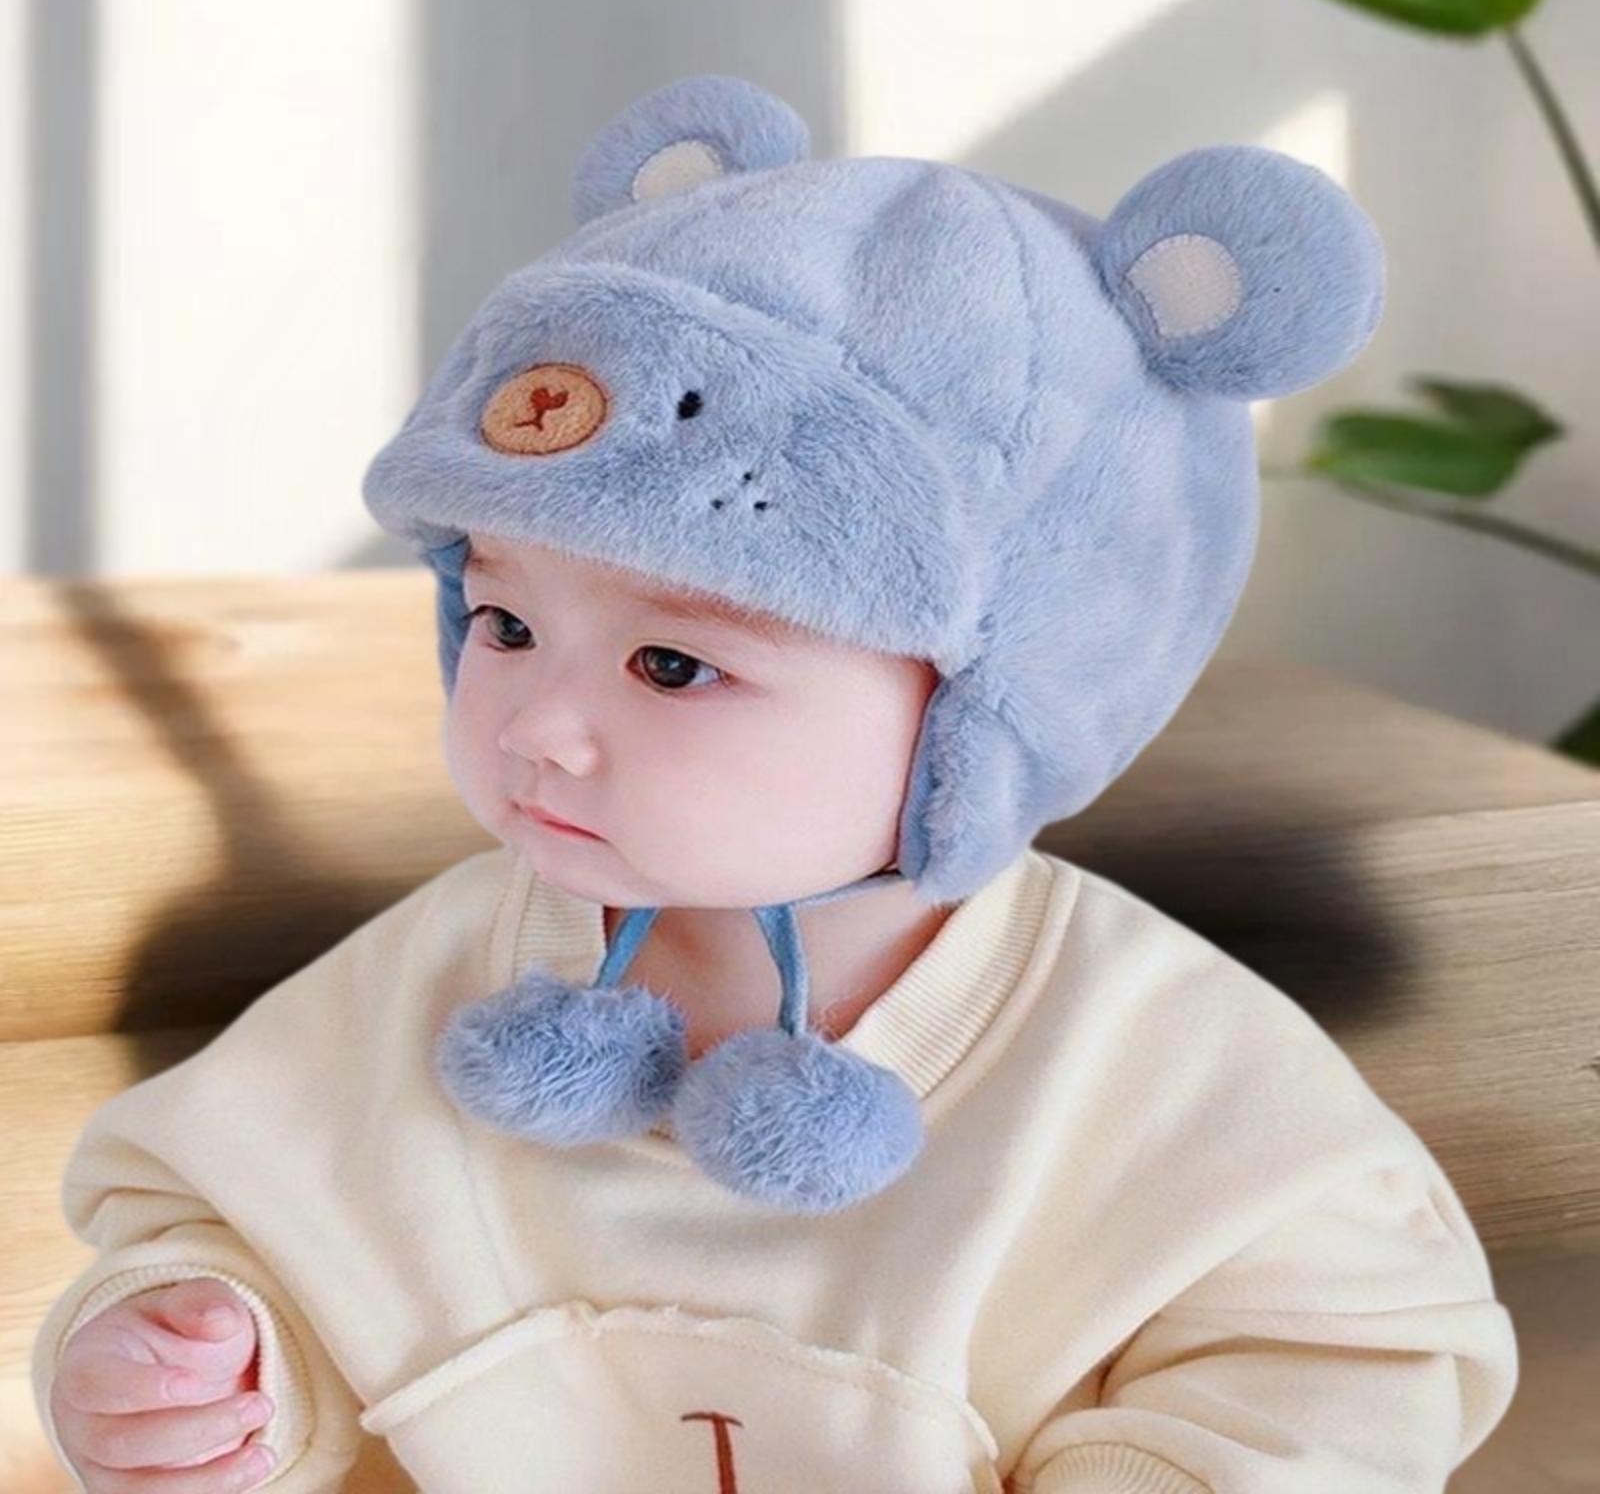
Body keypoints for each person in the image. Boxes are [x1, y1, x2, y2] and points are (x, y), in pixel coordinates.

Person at [33, 74, 1517, 1494]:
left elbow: (1339, 1361)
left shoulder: (1157, 1058)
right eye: (504, 622)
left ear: (995, 716)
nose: (541, 728)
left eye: (675, 664)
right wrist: (214, 1367)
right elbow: (231, 1203)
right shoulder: (445, 967)